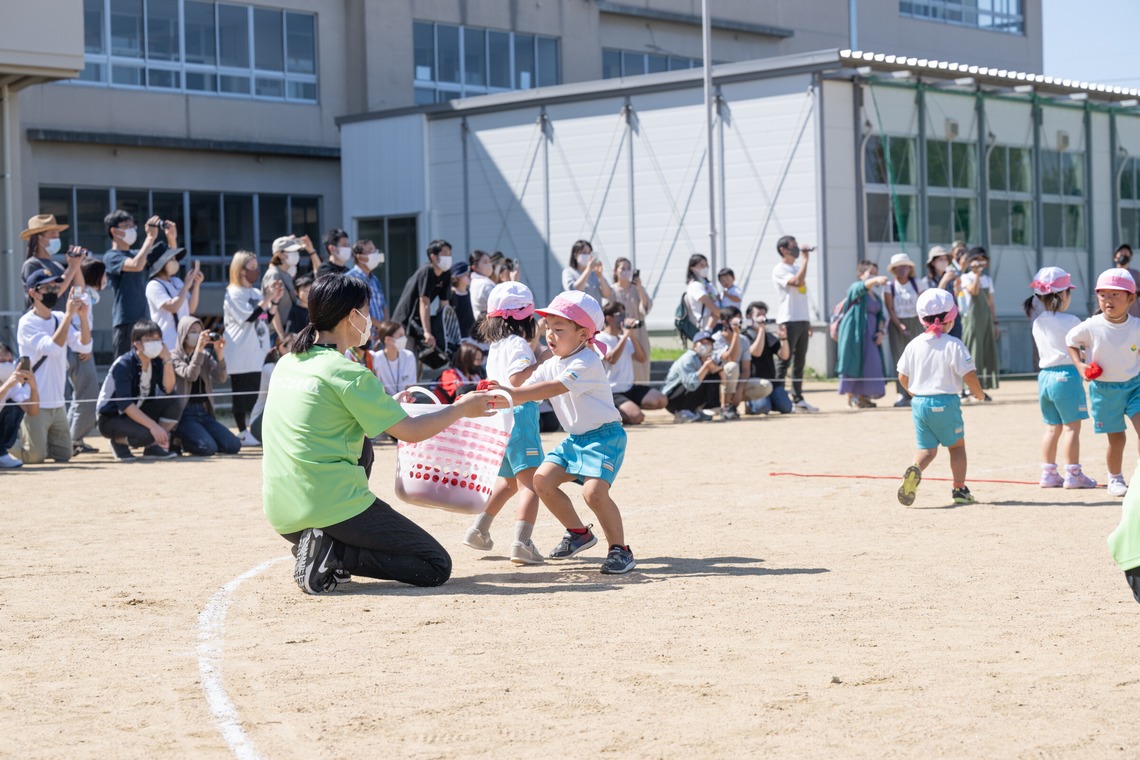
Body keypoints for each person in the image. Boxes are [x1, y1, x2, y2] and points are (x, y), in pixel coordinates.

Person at [262, 274, 503, 595]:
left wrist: (388, 406)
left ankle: (324, 549)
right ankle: (333, 553)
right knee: (435, 565)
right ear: (351, 317)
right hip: (326, 505)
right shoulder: (349, 373)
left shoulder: (288, 363)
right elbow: (411, 432)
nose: (371, 320)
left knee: (365, 448)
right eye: (367, 311)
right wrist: (461, 408)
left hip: (281, 510)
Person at [497, 290, 634, 574]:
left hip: (605, 437)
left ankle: (620, 550)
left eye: (558, 329)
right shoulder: (551, 364)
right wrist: (496, 396)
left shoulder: (587, 361)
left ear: (584, 334)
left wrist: (509, 393)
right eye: (548, 328)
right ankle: (578, 533)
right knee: (541, 480)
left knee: (594, 493)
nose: (550, 334)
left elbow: (552, 388)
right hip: (575, 439)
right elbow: (525, 392)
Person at [463, 282, 550, 565]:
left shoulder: (498, 345)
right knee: (531, 486)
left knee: (509, 483)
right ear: (524, 319)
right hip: (521, 417)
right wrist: (546, 361)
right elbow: (517, 380)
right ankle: (522, 543)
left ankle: (479, 530)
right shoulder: (519, 345)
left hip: (501, 423)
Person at [895, 288, 986, 507]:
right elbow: (969, 374)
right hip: (945, 402)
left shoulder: (913, 344)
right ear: (951, 318)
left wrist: (911, 391)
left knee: (927, 450)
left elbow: (902, 376)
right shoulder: (954, 344)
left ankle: (915, 468)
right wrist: (978, 392)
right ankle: (959, 489)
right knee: (956, 447)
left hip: (919, 404)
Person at [1065, 268, 1140, 498]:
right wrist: (1079, 366)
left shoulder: (1137, 326)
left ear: (1131, 298)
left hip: (1135, 386)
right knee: (1117, 438)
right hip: (1104, 390)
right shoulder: (1091, 325)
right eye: (1103, 294)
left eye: (1116, 294)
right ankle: (1115, 478)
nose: (1108, 299)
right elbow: (1070, 341)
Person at [1023, 267, 1094, 489]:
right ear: (1063, 295)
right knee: (1072, 428)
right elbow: (1085, 345)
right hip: (1067, 375)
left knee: (1052, 428)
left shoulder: (1037, 322)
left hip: (1045, 377)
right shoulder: (1072, 320)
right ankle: (1073, 473)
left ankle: (1048, 473)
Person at [16, 270, 92, 464]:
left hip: (58, 401)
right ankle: (6, 440)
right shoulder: (27, 322)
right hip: (35, 401)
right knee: (34, 457)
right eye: (46, 287)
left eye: (55, 287)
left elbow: (84, 345)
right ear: (33, 293)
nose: (52, 291)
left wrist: (82, 318)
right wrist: (69, 315)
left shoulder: (59, 317)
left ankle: (40, 441)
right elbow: (52, 348)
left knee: (63, 455)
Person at [95, 319, 179, 461]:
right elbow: (125, 405)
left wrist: (167, 360)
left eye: (158, 339)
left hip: (138, 409)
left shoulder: (157, 361)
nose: (155, 343)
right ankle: (118, 441)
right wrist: (154, 426)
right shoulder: (124, 364)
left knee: (173, 400)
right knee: (147, 434)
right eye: (149, 339)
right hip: (111, 417)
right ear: (137, 343)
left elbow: (168, 388)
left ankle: (152, 446)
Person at [224, 250, 283, 445]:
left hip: (258, 349)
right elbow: (248, 316)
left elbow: (266, 318)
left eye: (257, 267)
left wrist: (274, 301)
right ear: (241, 270)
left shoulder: (256, 293)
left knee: (258, 392)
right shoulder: (233, 293)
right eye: (252, 267)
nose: (256, 271)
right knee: (241, 392)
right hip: (240, 351)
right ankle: (241, 430)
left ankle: (254, 428)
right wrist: (267, 298)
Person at [104, 211, 177, 358]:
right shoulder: (111, 256)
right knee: (124, 367)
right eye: (126, 226)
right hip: (125, 321)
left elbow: (171, 261)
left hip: (143, 320)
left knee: (144, 367)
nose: (131, 229)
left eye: (132, 226)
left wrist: (171, 238)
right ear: (113, 230)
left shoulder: (138, 253)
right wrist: (150, 237)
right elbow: (136, 265)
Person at [170, 316, 242, 457]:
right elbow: (191, 375)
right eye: (193, 332)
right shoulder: (174, 356)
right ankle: (180, 439)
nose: (197, 335)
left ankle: (200, 437)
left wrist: (219, 354)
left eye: (200, 332)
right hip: (184, 413)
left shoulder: (205, 354)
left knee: (234, 445)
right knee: (208, 448)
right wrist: (199, 350)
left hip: (203, 412)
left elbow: (221, 378)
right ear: (183, 334)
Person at [596, 301, 667, 425]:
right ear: (609, 318)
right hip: (613, 391)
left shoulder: (626, 338)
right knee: (636, 417)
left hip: (630, 388)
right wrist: (625, 336)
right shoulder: (600, 338)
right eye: (620, 314)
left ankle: (629, 408)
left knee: (661, 400)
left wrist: (632, 337)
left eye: (625, 313)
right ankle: (613, 412)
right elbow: (612, 359)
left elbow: (641, 358)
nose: (624, 317)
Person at [771, 235, 817, 412]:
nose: (797, 248)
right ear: (783, 249)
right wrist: (806, 259)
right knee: (784, 360)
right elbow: (797, 282)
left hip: (802, 319)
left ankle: (797, 398)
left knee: (800, 361)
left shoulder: (797, 267)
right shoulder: (779, 269)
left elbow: (802, 290)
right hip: (788, 320)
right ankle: (778, 396)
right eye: (793, 246)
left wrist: (808, 321)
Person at [836, 261, 889, 409]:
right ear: (861, 274)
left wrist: (880, 332)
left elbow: (881, 317)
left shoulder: (876, 297)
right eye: (870, 272)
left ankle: (863, 396)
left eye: (876, 273)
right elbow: (860, 288)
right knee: (853, 362)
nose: (874, 276)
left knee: (871, 364)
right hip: (855, 334)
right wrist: (876, 280)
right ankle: (852, 396)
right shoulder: (855, 288)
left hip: (871, 334)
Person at [68, 257, 106, 455]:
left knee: (81, 396)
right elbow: (75, 324)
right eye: (103, 274)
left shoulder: (87, 295)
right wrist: (84, 346)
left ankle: (71, 438)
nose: (105, 279)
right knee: (88, 395)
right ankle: (73, 440)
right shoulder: (80, 293)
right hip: (79, 349)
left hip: (82, 346)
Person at [391, 239, 452, 353]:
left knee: (419, 364)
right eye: (444, 254)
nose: (448, 257)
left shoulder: (446, 273)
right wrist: (427, 331)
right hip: (405, 322)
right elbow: (424, 303)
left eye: (449, 254)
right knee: (407, 359)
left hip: (419, 324)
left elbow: (444, 304)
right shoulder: (426, 271)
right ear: (433, 256)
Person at [712, 305, 772, 419]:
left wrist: (739, 390)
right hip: (718, 385)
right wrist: (735, 334)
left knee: (766, 386)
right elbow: (730, 358)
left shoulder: (743, 340)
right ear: (724, 322)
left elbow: (746, 369)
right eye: (734, 320)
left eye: (740, 319)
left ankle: (732, 406)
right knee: (732, 366)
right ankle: (724, 406)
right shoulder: (716, 338)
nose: (738, 323)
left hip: (735, 383)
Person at [883, 253, 926, 407]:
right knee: (899, 359)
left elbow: (924, 304)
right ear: (894, 269)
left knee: (918, 358)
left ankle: (918, 392)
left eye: (906, 266)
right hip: (897, 323)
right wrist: (899, 324)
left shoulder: (918, 283)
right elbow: (890, 307)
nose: (903, 269)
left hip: (916, 322)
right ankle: (902, 393)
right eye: (899, 266)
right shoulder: (890, 286)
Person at [145, 245, 201, 351]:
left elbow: (191, 308)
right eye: (171, 259)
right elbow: (173, 307)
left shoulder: (176, 281)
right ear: (161, 264)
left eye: (175, 259)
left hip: (185, 342)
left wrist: (196, 285)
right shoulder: (153, 285)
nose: (175, 262)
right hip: (168, 344)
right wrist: (186, 286)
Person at [960, 247, 999, 396]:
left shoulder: (988, 279)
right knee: (974, 351)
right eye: (976, 259)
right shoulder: (966, 277)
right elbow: (974, 291)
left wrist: (995, 323)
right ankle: (970, 387)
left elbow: (991, 303)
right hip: (973, 317)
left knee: (986, 351)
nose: (979, 262)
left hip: (986, 318)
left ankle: (982, 386)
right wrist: (976, 275)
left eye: (982, 259)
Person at [743, 301, 793, 415]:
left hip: (772, 382)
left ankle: (770, 402)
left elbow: (784, 356)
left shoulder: (768, 336)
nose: (762, 318)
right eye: (758, 315)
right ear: (749, 317)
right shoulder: (745, 336)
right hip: (755, 383)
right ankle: (750, 404)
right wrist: (761, 330)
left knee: (786, 408)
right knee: (762, 408)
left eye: (764, 315)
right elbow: (756, 352)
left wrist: (784, 338)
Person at [609, 258, 653, 384]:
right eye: (623, 268)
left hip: (639, 333)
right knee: (623, 364)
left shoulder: (637, 288)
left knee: (641, 365)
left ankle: (643, 397)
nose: (626, 271)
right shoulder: (612, 290)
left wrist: (639, 288)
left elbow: (645, 308)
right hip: (620, 334)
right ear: (615, 270)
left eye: (628, 268)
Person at [661, 330, 721, 423]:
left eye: (708, 343)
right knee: (698, 379)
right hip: (672, 398)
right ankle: (682, 411)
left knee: (713, 377)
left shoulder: (707, 358)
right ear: (694, 345)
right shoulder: (688, 358)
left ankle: (694, 409)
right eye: (702, 343)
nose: (706, 346)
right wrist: (705, 367)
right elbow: (690, 384)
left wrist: (716, 368)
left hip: (688, 391)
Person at [263, 235, 315, 341]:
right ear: (280, 255)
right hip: (276, 334)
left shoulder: (285, 274)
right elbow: (272, 307)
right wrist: (281, 335)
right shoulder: (274, 274)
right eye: (291, 251)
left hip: (287, 330)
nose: (296, 254)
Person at [19, 214, 84, 295]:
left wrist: (76, 265)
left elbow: (78, 292)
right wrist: (71, 268)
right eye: (53, 236)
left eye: (58, 237)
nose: (57, 239)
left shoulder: (58, 266)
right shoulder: (31, 265)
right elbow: (51, 295)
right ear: (39, 239)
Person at [0, 343, 39, 469]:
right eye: (2, 361)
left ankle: (1, 454)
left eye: (10, 361)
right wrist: (6, 387)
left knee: (14, 407)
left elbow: (31, 410)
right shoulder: (9, 384)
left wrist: (33, 386)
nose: (7, 364)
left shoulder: (13, 385)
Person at [345, 238, 388, 345]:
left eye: (375, 250)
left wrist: (385, 326)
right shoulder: (350, 278)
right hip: (361, 338)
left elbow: (384, 306)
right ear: (359, 257)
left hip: (379, 337)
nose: (375, 253)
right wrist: (380, 325)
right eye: (370, 251)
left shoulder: (375, 279)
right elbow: (353, 309)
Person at [921, 245, 962, 340]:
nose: (944, 262)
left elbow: (956, 299)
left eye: (945, 259)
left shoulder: (951, 278)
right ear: (933, 262)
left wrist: (958, 287)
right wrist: (943, 282)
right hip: (935, 322)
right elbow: (932, 301)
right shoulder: (926, 281)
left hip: (953, 320)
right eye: (940, 259)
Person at [372, 321, 417, 397]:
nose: (404, 338)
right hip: (385, 403)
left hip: (404, 403)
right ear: (388, 340)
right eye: (400, 336)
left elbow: (410, 387)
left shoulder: (409, 356)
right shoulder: (376, 358)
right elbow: (377, 388)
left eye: (404, 335)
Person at [561, 240, 611, 304]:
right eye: (584, 253)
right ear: (575, 255)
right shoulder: (568, 272)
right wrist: (588, 269)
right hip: (578, 311)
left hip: (595, 312)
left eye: (589, 253)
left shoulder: (595, 272)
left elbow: (607, 294)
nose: (587, 255)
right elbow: (573, 290)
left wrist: (600, 276)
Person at [683, 253, 720, 335]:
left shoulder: (708, 284)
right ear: (692, 268)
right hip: (706, 327)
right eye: (702, 265)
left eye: (706, 265)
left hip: (718, 323)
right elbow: (714, 308)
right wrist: (727, 316)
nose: (705, 268)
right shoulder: (695, 285)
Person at [1111, 244, 1140, 319]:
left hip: (1134, 314)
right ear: (1115, 257)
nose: (1124, 256)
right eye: (1121, 254)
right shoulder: (1110, 274)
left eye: (1126, 254)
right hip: (1115, 315)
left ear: (1131, 257)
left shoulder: (1136, 274)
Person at [449, 261, 476, 339]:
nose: (470, 275)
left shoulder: (470, 292)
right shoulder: (451, 295)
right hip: (458, 338)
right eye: (467, 274)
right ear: (457, 277)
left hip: (472, 337)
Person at [469, 249, 496, 319]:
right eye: (485, 262)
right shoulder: (485, 284)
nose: (489, 265)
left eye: (490, 261)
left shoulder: (475, 281)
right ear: (474, 267)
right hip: (489, 323)